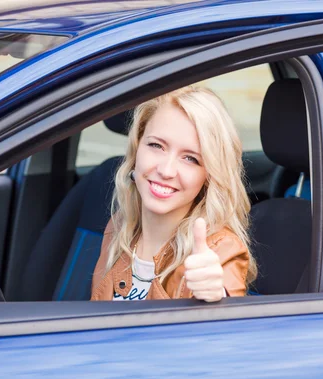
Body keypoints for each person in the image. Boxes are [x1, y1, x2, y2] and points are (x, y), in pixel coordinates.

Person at [90, 86, 257, 302]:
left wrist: (216, 298)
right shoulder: (119, 227)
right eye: (156, 145)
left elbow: (224, 309)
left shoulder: (219, 250)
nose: (166, 170)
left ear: (208, 176)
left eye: (190, 158)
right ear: (136, 149)